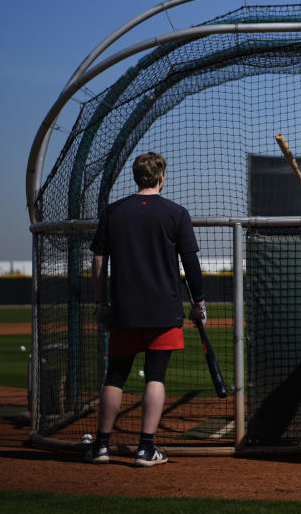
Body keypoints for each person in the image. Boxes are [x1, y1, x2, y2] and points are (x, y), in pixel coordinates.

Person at [85, 152, 206, 467]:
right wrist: (199, 302)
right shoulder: (176, 213)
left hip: (124, 308)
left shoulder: (113, 212)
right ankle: (146, 449)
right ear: (161, 177)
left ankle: (100, 446)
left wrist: (100, 302)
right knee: (155, 376)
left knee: (116, 375)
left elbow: (98, 263)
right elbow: (191, 262)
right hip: (164, 308)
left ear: (136, 177)